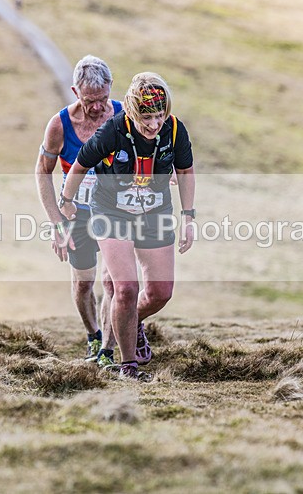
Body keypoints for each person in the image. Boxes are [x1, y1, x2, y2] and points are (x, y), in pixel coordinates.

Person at [59, 72, 196, 381]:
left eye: (160, 116)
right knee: (125, 290)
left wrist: (189, 218)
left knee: (161, 292)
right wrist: (66, 201)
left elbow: (185, 172)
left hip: (154, 213)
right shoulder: (113, 130)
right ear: (133, 112)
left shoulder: (174, 131)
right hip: (111, 213)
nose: (154, 124)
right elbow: (80, 164)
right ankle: (128, 365)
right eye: (146, 117)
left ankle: (130, 323)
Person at [36, 55, 122, 364]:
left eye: (103, 99)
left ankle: (107, 352)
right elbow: (42, 172)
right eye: (89, 101)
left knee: (113, 281)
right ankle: (93, 335)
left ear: (111, 88)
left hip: (116, 213)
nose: (97, 107)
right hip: (77, 213)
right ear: (75, 93)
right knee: (84, 283)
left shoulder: (125, 116)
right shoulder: (59, 125)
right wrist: (56, 223)